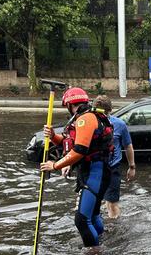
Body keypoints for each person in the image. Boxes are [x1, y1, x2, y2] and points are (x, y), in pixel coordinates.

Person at [40, 87, 113, 249]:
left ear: (69, 104)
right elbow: (71, 144)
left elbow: (80, 150)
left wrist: (55, 165)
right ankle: (102, 243)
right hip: (98, 172)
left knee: (81, 220)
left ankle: (94, 251)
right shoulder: (89, 116)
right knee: (92, 216)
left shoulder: (85, 119)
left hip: (95, 173)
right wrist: (53, 136)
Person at [93, 95, 136, 219]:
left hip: (112, 168)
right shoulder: (89, 124)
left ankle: (114, 229)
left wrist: (132, 166)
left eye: (104, 113)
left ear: (109, 111)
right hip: (94, 168)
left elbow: (128, 146)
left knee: (112, 203)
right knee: (92, 201)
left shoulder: (119, 124)